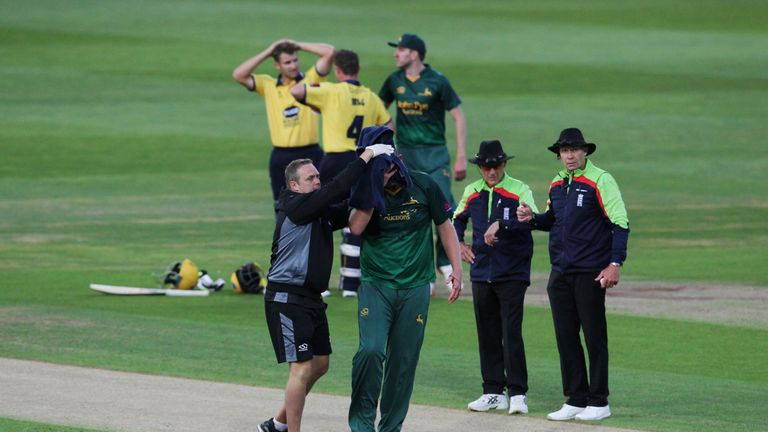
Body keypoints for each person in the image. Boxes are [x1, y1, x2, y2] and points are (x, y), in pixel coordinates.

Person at [258, 143, 395, 432]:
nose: (317, 181)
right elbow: (335, 190)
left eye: (318, 176)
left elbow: (349, 211)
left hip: (310, 300)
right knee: (302, 368)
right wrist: (366, 156)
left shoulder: (315, 211)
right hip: (287, 297)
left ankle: (278, 424)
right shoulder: (294, 206)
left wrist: (375, 183)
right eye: (311, 178)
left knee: (320, 364)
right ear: (294, 185)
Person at [346, 126, 463, 432]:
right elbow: (356, 228)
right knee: (370, 351)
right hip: (376, 285)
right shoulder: (363, 188)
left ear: (396, 157)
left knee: (403, 361)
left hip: (416, 287)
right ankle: (361, 425)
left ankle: (391, 427)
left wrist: (456, 270)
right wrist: (373, 187)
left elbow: (445, 225)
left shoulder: (424, 185)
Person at [516, 128, 629, 422]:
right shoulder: (557, 183)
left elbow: (620, 223)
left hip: (591, 271)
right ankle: (576, 398)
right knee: (566, 336)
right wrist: (532, 219)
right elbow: (552, 220)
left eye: (575, 150)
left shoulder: (600, 180)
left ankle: (599, 400)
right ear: (559, 154)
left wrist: (614, 263)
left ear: (585, 152)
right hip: (561, 271)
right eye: (565, 151)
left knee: (594, 336)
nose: (569, 155)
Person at [290, 49, 392, 298]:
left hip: (334, 162)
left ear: (338, 71)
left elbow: (296, 92)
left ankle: (317, 280)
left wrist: (314, 87)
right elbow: (389, 126)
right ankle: (351, 285)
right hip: (363, 160)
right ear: (357, 69)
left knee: (321, 217)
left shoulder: (331, 91)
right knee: (357, 215)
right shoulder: (370, 96)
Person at [453, 140, 538, 415]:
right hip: (481, 271)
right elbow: (456, 220)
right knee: (487, 333)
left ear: (504, 164)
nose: (492, 171)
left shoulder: (519, 189)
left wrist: (503, 224)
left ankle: (517, 393)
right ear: (480, 167)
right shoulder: (472, 191)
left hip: (512, 271)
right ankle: (493, 391)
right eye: (487, 167)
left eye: (497, 166)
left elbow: (530, 220)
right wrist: (460, 244)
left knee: (510, 332)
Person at [379, 33, 467, 293]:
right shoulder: (394, 80)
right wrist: (387, 132)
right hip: (406, 155)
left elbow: (458, 116)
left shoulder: (437, 81)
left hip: (436, 154)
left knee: (443, 206)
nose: (396, 54)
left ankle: (443, 261)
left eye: (401, 50)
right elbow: (377, 108)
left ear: (414, 54)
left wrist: (461, 155)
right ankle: (424, 270)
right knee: (413, 209)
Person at [232, 39, 335, 209]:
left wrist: (298, 45)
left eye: (295, 60)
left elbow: (329, 52)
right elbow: (239, 75)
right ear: (277, 66)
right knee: (281, 206)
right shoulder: (268, 85)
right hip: (281, 157)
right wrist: (268, 51)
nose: (293, 66)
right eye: (287, 62)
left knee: (317, 203)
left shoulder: (310, 79)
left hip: (310, 153)